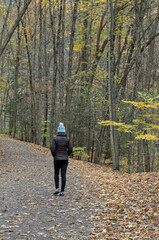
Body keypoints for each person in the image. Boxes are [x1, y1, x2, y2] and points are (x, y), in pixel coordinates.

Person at [50, 122, 73, 196]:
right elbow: (70, 149)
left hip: (56, 159)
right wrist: (67, 154)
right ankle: (62, 191)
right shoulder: (67, 139)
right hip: (64, 159)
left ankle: (57, 188)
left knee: (56, 173)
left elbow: (52, 149)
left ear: (58, 131)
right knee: (63, 174)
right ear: (64, 131)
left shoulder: (55, 139)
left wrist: (54, 155)